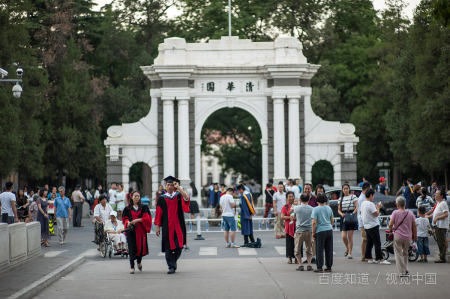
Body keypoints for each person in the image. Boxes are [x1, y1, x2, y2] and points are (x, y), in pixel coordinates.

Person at [155, 176, 190, 274]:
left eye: (171, 185)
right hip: (167, 226)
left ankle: (173, 261)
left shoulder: (178, 195)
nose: (169, 187)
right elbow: (158, 213)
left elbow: (186, 198)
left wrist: (178, 187)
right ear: (165, 186)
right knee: (168, 247)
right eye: (168, 185)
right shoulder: (162, 198)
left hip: (178, 225)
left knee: (179, 246)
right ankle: (171, 266)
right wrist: (158, 226)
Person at [123, 190, 152, 274]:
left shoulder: (144, 207)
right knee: (131, 248)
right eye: (135, 196)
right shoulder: (127, 208)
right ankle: (132, 266)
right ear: (131, 197)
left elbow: (147, 218)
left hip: (140, 231)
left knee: (140, 248)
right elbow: (125, 218)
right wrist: (127, 222)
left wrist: (138, 220)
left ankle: (139, 262)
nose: (137, 198)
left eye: (138, 196)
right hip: (131, 231)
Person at [388, 196, 417, 277]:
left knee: (398, 254)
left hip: (398, 236)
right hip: (408, 237)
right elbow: (414, 226)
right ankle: (406, 269)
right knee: (405, 253)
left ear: (397, 205)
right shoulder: (410, 213)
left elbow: (390, 224)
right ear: (405, 204)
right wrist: (415, 236)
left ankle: (401, 272)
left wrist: (391, 230)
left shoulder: (395, 213)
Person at [361, 189, 390, 265]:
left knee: (369, 243)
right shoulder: (370, 204)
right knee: (377, 243)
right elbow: (376, 214)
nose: (373, 197)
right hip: (373, 225)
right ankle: (380, 259)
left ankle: (369, 257)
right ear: (371, 195)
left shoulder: (363, 203)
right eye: (373, 195)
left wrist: (375, 207)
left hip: (366, 226)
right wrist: (378, 207)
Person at [311, 192, 334, 273]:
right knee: (329, 249)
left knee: (319, 249)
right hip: (329, 229)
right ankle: (328, 266)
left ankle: (319, 267)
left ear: (317, 199)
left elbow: (314, 222)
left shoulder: (315, 209)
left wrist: (313, 232)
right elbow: (332, 220)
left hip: (320, 230)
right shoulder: (329, 208)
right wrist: (329, 226)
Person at [292, 193, 314, 271]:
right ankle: (309, 265)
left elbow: (294, 217)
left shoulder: (296, 208)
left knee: (297, 249)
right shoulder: (312, 209)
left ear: (300, 200)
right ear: (309, 200)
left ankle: (300, 265)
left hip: (299, 231)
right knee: (309, 249)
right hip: (309, 231)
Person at [338, 184, 358, 259]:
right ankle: (347, 247)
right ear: (342, 190)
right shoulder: (340, 198)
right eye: (344, 189)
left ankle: (350, 253)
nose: (345, 190)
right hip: (343, 217)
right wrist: (341, 214)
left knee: (350, 236)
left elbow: (357, 207)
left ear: (349, 189)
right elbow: (339, 210)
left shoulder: (353, 197)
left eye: (347, 188)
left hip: (351, 217)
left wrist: (352, 214)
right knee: (343, 236)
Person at [429, 189, 448, 263]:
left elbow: (446, 214)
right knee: (439, 241)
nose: (435, 196)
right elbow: (435, 213)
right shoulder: (438, 203)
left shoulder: (443, 203)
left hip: (441, 225)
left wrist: (437, 218)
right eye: (435, 194)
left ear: (441, 195)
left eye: (437, 194)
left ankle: (442, 257)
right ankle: (441, 256)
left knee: (441, 241)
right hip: (437, 225)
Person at [281, 191, 296, 264]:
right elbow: (282, 217)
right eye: (289, 196)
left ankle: (297, 257)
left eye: (292, 196)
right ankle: (290, 258)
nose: (291, 198)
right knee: (289, 243)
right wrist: (290, 217)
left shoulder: (297, 206)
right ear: (287, 198)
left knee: (297, 243)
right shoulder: (285, 207)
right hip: (289, 227)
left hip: (297, 227)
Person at [357, 182, 371, 261]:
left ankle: (365, 255)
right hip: (363, 221)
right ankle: (364, 255)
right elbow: (362, 211)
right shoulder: (362, 198)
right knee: (365, 239)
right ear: (366, 189)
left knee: (365, 239)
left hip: (364, 220)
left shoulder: (362, 197)